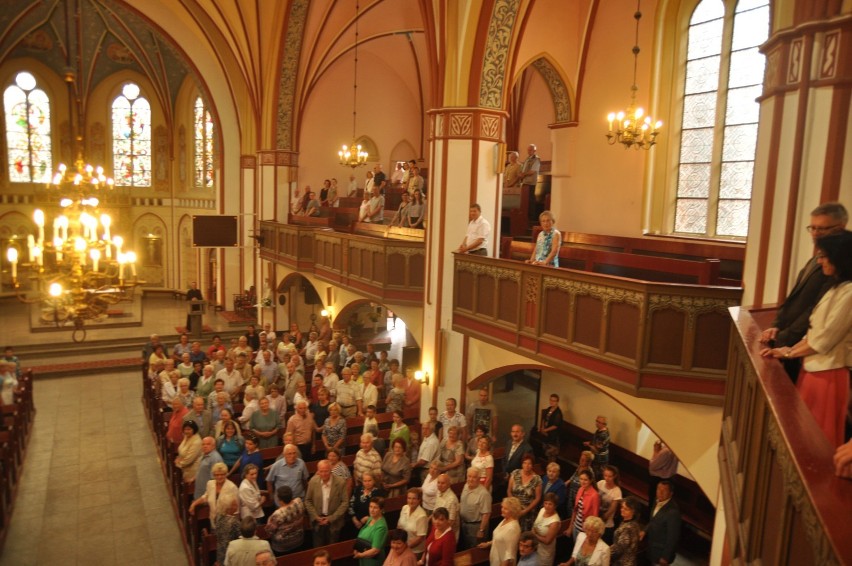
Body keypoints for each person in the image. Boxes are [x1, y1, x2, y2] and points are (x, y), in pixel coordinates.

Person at [760, 230, 852, 446]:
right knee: (802, 433)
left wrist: (789, 352)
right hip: (813, 369)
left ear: (840, 258)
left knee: (817, 440)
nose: (820, 261)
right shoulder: (836, 288)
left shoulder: (849, 293)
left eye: (824, 256)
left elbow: (823, 340)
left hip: (828, 373)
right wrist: (784, 351)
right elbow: (813, 332)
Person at [759, 202, 848, 382]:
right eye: (812, 228)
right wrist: (776, 325)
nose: (815, 233)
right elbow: (794, 299)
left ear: (840, 228)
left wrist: (785, 341)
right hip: (798, 347)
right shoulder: (817, 258)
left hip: (816, 357)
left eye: (821, 229)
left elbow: (814, 314)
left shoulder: (840, 270)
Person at [189, 462, 240, 566]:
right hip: (213, 521)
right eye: (217, 474)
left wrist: (231, 525)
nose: (219, 477)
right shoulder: (210, 484)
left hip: (226, 526)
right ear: (213, 475)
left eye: (222, 474)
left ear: (226, 474)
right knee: (215, 546)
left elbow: (236, 509)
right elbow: (206, 496)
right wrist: (194, 503)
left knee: (223, 548)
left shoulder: (232, 487)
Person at [305, 460, 350, 546]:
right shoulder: (313, 481)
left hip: (334, 522)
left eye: (326, 471)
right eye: (321, 471)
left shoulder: (340, 482)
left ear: (331, 470)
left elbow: (345, 503)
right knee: (318, 547)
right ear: (318, 471)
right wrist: (315, 516)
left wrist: (331, 518)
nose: (324, 474)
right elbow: (308, 501)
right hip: (317, 522)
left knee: (332, 548)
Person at [643, 480, 681, 566]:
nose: (660, 492)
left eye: (664, 490)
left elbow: (673, 537)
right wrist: (645, 530)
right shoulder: (656, 500)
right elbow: (653, 520)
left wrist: (665, 557)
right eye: (658, 489)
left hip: (661, 552)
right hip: (651, 546)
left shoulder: (673, 512)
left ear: (671, 493)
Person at [478, 497, 523, 566]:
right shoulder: (504, 520)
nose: (502, 510)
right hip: (495, 560)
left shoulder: (512, 528)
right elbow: (500, 538)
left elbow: (509, 554)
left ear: (513, 511)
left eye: (506, 509)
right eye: (502, 507)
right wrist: (488, 543)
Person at [265, 485, 305, 555]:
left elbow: (269, 531)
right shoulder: (299, 501)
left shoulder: (278, 514)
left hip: (283, 547)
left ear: (279, 499)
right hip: (299, 540)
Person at [459, 467, 492, 550]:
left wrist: (481, 530)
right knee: (466, 548)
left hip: (476, 527)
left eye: (474, 477)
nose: (471, 479)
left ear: (479, 479)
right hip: (465, 524)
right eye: (469, 476)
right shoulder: (465, 486)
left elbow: (486, 513)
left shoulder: (483, 494)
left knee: (476, 550)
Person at [508, 453, 543, 532]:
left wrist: (525, 511)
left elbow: (538, 498)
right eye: (525, 463)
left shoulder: (537, 479)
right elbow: (509, 491)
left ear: (532, 465)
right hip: (514, 509)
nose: (527, 465)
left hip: (528, 512)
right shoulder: (515, 473)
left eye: (529, 463)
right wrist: (514, 506)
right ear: (522, 464)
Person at [567, 469, 599, 541]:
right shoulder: (580, 489)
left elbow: (595, 516)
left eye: (585, 480)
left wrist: (589, 532)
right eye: (581, 479)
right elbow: (575, 510)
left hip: (585, 530)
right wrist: (570, 526)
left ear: (590, 480)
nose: (582, 481)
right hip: (576, 526)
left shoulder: (595, 495)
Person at [355, 498, 389, 566]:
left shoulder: (381, 527)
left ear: (381, 510)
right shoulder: (371, 518)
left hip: (372, 561)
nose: (372, 510)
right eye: (370, 506)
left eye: (375, 507)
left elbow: (375, 550)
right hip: (364, 556)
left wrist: (361, 555)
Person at [609, 496, 642, 566]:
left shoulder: (628, 527)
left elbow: (619, 548)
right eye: (622, 507)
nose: (622, 510)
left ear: (633, 512)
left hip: (623, 563)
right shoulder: (632, 523)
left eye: (626, 509)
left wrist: (605, 551)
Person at [397, 488, 429, 558]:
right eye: (409, 498)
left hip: (415, 551)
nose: (411, 501)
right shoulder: (404, 508)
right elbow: (399, 527)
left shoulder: (422, 516)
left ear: (419, 500)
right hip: (402, 546)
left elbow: (420, 538)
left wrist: (405, 547)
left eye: (414, 499)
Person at [648, 440, 678, 510]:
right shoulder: (675, 449)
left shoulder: (666, 451)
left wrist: (655, 451)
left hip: (659, 481)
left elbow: (652, 467)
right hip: (669, 479)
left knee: (654, 505)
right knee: (661, 505)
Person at [532, 493, 561, 566]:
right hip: (535, 547)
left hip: (545, 552)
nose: (547, 506)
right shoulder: (542, 510)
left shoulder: (554, 521)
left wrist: (534, 535)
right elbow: (536, 524)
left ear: (555, 506)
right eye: (545, 503)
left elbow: (547, 541)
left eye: (550, 504)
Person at [597, 465, 623, 545]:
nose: (606, 478)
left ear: (614, 476)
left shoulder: (617, 491)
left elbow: (611, 510)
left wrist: (600, 520)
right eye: (605, 475)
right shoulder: (600, 483)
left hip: (606, 524)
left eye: (609, 476)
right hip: (596, 519)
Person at [194, 436, 225, 500]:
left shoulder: (215, 458)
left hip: (207, 494)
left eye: (208, 444)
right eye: (203, 444)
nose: (205, 446)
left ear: (213, 446)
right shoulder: (205, 454)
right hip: (200, 490)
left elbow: (215, 479)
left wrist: (209, 495)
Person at [434, 473, 460, 540]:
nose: (440, 485)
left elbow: (451, 521)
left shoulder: (451, 499)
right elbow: (435, 512)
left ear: (448, 484)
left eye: (443, 483)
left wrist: (440, 533)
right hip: (438, 529)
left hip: (447, 534)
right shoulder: (439, 492)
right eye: (438, 482)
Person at [519, 144, 541, 219]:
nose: (529, 151)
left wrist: (523, 174)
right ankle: (525, 215)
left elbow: (532, 171)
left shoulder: (536, 159)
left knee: (530, 199)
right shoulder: (527, 158)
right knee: (525, 199)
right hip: (525, 181)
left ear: (534, 151)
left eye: (531, 150)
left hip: (531, 182)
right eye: (528, 150)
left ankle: (531, 216)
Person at [539, 394, 563, 460]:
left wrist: (545, 430)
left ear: (557, 402)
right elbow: (544, 418)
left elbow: (555, 425)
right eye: (551, 400)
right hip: (545, 434)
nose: (552, 402)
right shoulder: (549, 409)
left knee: (550, 454)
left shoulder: (558, 413)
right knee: (544, 451)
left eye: (554, 401)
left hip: (552, 436)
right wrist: (542, 427)